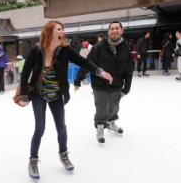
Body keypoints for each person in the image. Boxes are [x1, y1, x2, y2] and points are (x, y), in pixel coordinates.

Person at [18, 20, 113, 180]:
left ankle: (63, 154)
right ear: (50, 32)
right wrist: (24, 95)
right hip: (39, 94)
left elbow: (83, 62)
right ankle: (33, 161)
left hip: (56, 94)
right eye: (59, 29)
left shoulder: (65, 50)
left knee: (61, 127)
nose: (62, 32)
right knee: (40, 128)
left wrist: (99, 71)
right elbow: (25, 73)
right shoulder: (36, 50)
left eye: (62, 29)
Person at [74, 21, 133, 146]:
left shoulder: (126, 48)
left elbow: (129, 68)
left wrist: (127, 87)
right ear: (108, 31)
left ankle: (111, 124)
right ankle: (100, 127)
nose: (114, 31)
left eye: (117, 28)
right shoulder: (98, 47)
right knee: (102, 107)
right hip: (100, 84)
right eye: (112, 29)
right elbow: (88, 63)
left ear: (122, 31)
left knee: (114, 106)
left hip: (117, 84)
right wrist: (78, 79)